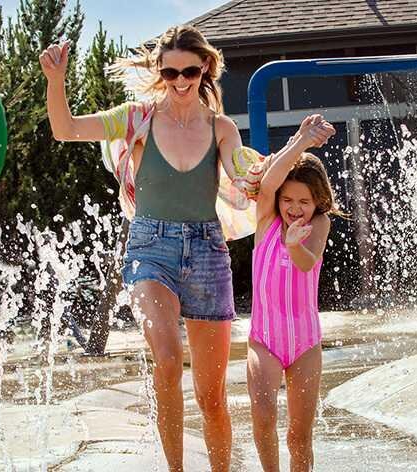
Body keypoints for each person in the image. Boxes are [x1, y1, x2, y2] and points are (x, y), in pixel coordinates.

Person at [39, 24, 332, 472]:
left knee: (211, 397)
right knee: (168, 360)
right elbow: (65, 129)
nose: (180, 81)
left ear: (205, 69)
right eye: (170, 72)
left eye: (189, 72)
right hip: (150, 249)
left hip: (207, 254)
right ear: (159, 72)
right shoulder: (136, 118)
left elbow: (248, 178)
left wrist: (289, 150)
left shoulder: (220, 128)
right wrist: (55, 80)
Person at [247, 115, 341, 472]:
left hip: (305, 344)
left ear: (318, 201)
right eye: (287, 199)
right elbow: (269, 184)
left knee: (299, 436)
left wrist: (294, 245)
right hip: (264, 340)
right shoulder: (267, 221)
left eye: (304, 201)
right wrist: (301, 141)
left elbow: (307, 263)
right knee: (263, 415)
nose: (294, 208)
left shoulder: (319, 225)